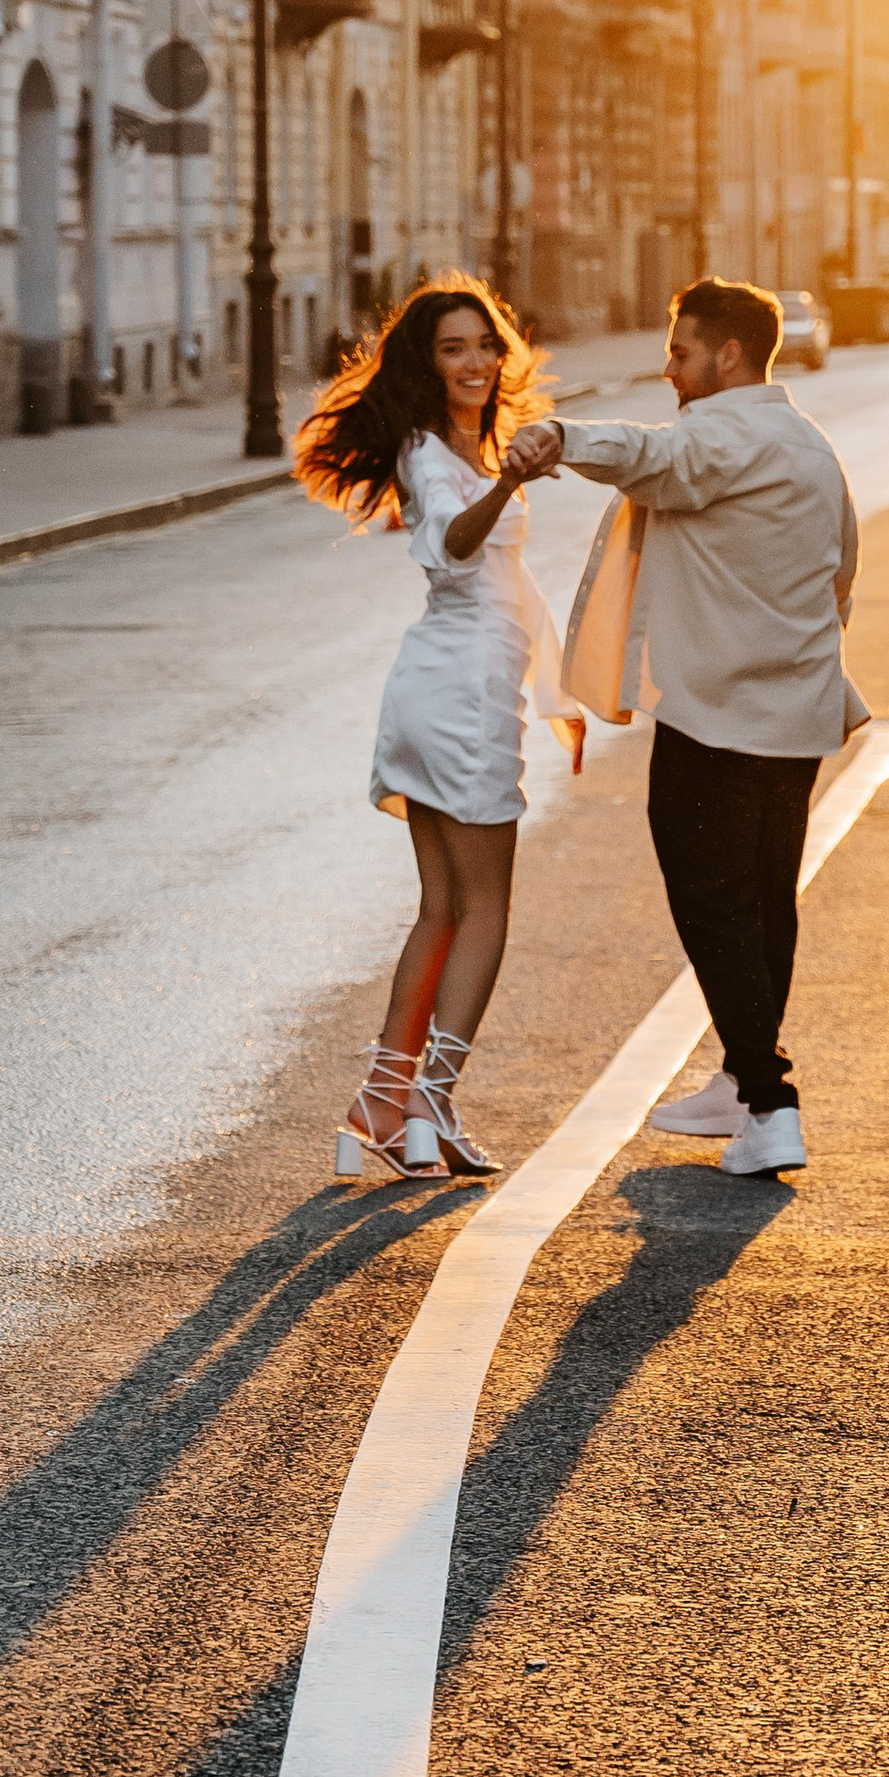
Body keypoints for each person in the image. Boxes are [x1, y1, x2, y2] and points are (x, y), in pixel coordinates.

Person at [516, 278, 863, 1178]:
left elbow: (651, 455)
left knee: (709, 901)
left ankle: (769, 1096)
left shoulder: (723, 432)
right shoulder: (808, 444)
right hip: (794, 714)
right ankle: (740, 1087)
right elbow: (841, 579)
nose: (669, 369)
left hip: (718, 717)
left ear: (729, 356)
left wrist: (559, 438)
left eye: (680, 353)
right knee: (761, 903)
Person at [294, 277, 578, 1184]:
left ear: (502, 357)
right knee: (485, 908)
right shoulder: (429, 453)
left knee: (443, 908)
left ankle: (382, 1103)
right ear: (429, 363)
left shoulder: (469, 445)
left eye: (484, 346)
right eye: (453, 349)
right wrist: (507, 485)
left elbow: (513, 589)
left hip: (440, 691)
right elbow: (454, 548)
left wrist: (562, 695)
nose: (474, 363)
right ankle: (435, 1103)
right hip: (458, 700)